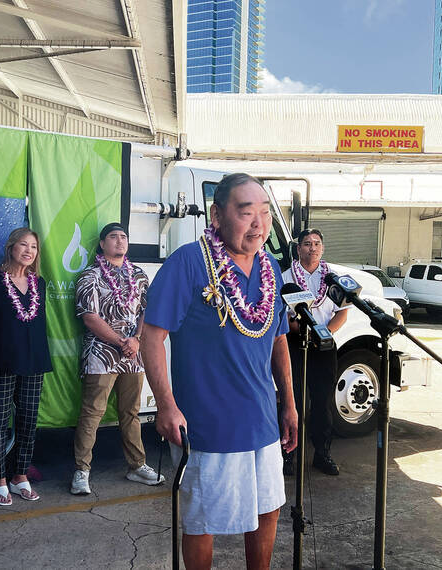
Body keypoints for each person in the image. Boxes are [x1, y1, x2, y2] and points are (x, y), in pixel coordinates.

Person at [141, 173, 298, 570]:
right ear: (216, 215)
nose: (259, 223)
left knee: (268, 510)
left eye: (264, 213)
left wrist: (290, 405)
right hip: (207, 425)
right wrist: (165, 405)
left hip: (261, 419)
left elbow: (279, 340)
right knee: (202, 523)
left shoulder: (270, 271)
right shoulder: (189, 263)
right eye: (246, 213)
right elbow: (151, 337)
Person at [70, 222, 164, 495]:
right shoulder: (91, 275)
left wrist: (135, 340)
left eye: (124, 237)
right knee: (92, 413)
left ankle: (137, 466)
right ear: (102, 243)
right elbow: (90, 316)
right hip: (101, 354)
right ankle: (81, 471)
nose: (120, 241)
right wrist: (121, 341)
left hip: (133, 353)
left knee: (130, 412)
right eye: (113, 237)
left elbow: (148, 311)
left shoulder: (138, 274)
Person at [0, 228, 52, 506]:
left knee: (28, 422)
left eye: (33, 246)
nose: (29, 251)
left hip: (34, 361)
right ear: (11, 247)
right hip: (0, 361)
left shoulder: (39, 283)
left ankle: (20, 475)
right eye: (24, 244)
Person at [282, 228, 348, 477]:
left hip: (323, 346)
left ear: (323, 248)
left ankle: (322, 454)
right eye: (307, 244)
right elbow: (280, 315)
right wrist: (298, 328)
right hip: (295, 344)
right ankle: (288, 455)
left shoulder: (332, 278)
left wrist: (325, 333)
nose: (312, 248)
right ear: (298, 249)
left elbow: (343, 311)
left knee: (322, 403)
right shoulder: (286, 276)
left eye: (317, 243)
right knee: (293, 400)